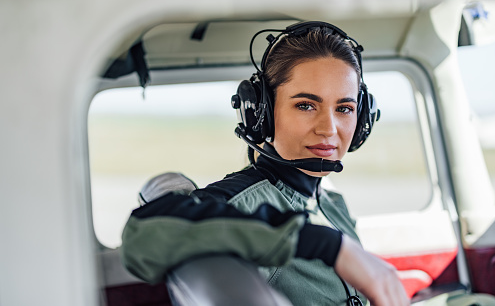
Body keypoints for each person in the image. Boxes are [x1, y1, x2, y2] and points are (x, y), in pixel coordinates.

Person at [120, 21, 409, 306]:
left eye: (344, 108)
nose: (329, 129)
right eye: (306, 105)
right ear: (264, 113)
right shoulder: (241, 202)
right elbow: (144, 231)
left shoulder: (330, 202)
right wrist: (329, 246)